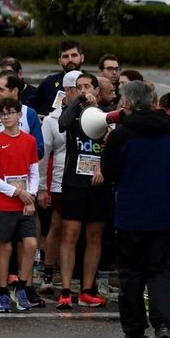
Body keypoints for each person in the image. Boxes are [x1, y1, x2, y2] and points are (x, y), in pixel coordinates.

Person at [103, 80, 170, 338]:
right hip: (163, 213)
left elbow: (110, 173)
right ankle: (163, 325)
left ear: (129, 103)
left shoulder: (122, 133)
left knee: (131, 275)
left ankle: (135, 334)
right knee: (159, 271)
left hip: (131, 213)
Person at [56, 73, 113, 308]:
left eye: (87, 86)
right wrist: (79, 100)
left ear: (97, 91)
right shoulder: (73, 111)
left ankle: (88, 289)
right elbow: (61, 125)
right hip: (74, 182)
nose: (83, 89)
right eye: (79, 86)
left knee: (94, 235)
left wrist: (105, 168)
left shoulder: (107, 114)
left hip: (98, 184)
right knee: (70, 233)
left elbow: (116, 147)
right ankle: (67, 289)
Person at [0, 98, 41, 313]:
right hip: (2, 203)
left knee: (31, 244)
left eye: (10, 112)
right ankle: (2, 291)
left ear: (19, 115)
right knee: (4, 248)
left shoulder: (30, 141)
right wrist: (18, 192)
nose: (6, 116)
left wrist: (30, 196)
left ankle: (23, 287)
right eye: (3, 113)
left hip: (25, 203)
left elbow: (34, 171)